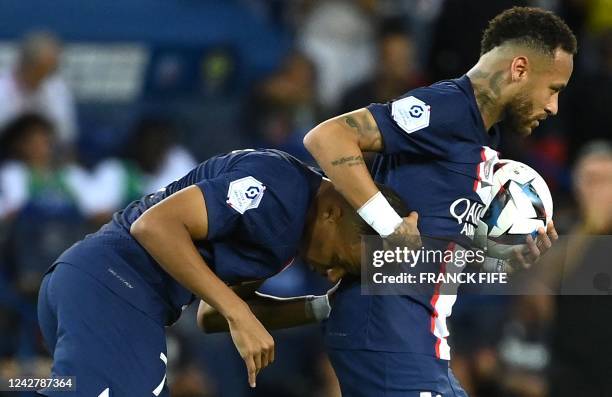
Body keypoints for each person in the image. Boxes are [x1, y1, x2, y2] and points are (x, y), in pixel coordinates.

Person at [303, 7, 574, 396]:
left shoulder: (481, 132)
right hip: (389, 334)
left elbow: (427, 253)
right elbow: (327, 138)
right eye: (554, 89)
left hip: (414, 339)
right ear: (519, 68)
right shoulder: (447, 108)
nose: (553, 107)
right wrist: (388, 224)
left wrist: (498, 263)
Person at [36, 148, 407, 396]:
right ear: (333, 214)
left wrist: (321, 307)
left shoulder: (289, 233)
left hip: (99, 290)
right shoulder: (277, 189)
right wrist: (239, 312)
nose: (331, 275)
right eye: (342, 260)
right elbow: (155, 227)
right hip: (112, 286)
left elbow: (211, 316)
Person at [0, 31, 76, 147]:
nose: (47, 75)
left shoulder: (56, 87)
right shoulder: (2, 88)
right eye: (42, 69)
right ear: (27, 64)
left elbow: (66, 134)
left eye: (51, 69)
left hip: (47, 157)